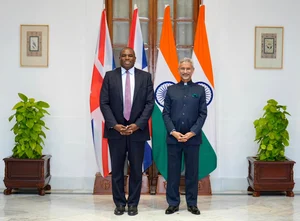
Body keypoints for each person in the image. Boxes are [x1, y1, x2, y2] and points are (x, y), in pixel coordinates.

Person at [100, 47, 154, 216]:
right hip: (116, 132)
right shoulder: (110, 76)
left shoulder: (145, 77)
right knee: (117, 170)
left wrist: (137, 125)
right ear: (119, 58)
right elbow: (104, 103)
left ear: (135, 58)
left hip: (137, 132)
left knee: (136, 170)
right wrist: (114, 125)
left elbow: (149, 104)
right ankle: (119, 204)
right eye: (124, 55)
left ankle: (133, 204)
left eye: (130, 55)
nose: (127, 58)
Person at [162, 57, 207, 215]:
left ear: (193, 71)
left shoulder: (200, 90)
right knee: (173, 173)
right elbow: (165, 114)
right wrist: (173, 132)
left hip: (193, 139)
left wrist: (191, 132)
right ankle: (173, 203)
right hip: (173, 138)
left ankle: (192, 203)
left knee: (192, 173)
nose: (185, 71)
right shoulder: (171, 90)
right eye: (183, 69)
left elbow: (203, 114)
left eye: (188, 69)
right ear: (179, 70)